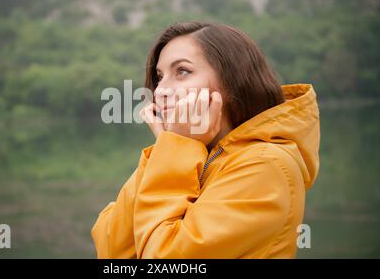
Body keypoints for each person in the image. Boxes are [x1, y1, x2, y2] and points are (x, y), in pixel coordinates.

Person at [91, 21, 320, 258]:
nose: (159, 91)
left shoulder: (266, 165)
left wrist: (176, 148)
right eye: (159, 77)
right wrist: (168, 148)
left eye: (182, 71)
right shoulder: (186, 152)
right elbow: (111, 251)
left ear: (233, 82)